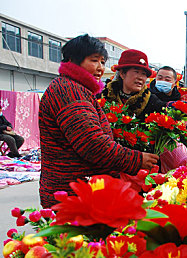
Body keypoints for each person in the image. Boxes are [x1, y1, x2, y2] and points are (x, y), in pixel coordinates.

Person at [38, 34, 159, 208]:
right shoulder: (69, 91)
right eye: (94, 61)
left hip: (82, 190)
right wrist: (136, 159)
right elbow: (91, 143)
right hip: (73, 194)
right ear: (73, 60)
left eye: (103, 62)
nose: (100, 68)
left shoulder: (79, 89)